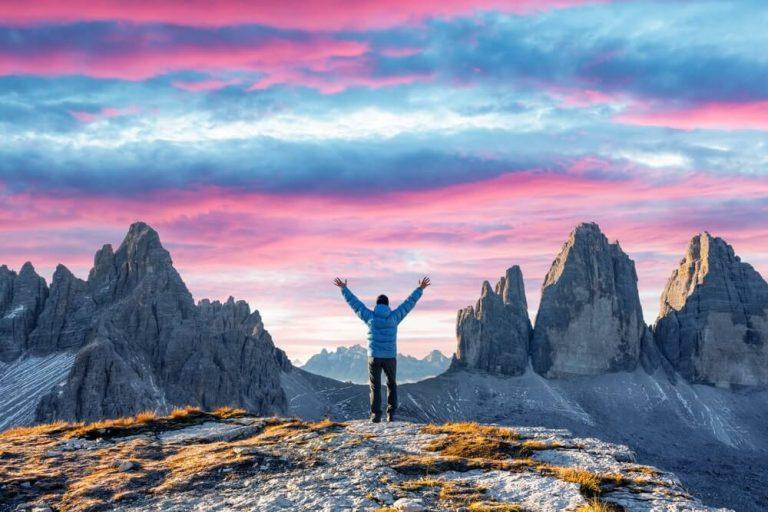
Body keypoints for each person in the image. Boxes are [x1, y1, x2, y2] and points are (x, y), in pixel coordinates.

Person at [334, 276, 431, 423]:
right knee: (391, 384)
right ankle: (391, 415)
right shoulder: (394, 317)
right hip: (390, 357)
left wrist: (344, 289)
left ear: (377, 305)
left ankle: (376, 416)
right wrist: (420, 289)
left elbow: (355, 305)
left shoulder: (370, 317)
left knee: (375, 386)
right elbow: (408, 304)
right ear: (387, 305)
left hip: (373, 356)